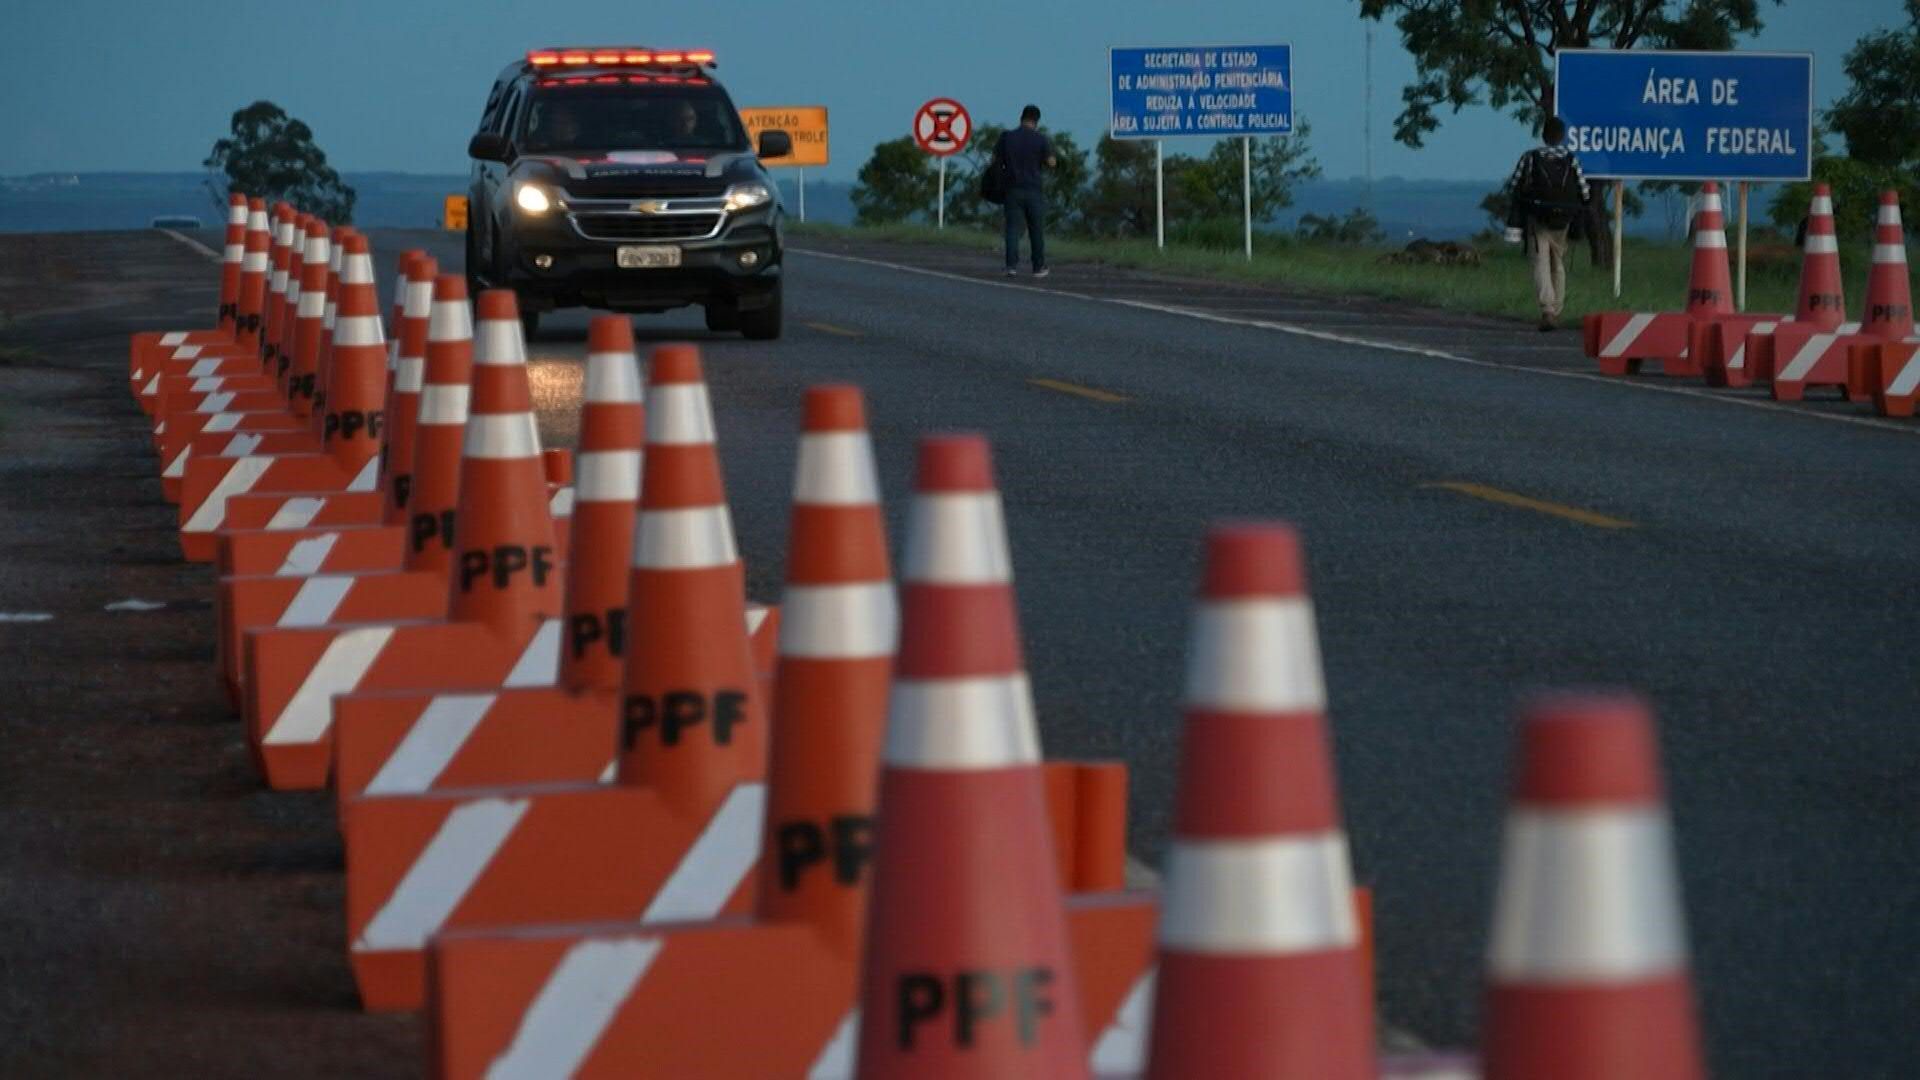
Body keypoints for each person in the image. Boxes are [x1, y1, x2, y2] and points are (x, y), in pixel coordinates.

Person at [1505, 116, 1590, 330]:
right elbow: (1584, 191)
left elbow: (1514, 185)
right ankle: (1557, 308)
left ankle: (1547, 309)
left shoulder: (1531, 157)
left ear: (1543, 135)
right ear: (1562, 136)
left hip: (1539, 217)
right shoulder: (1572, 159)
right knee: (1558, 262)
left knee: (1540, 262)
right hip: (1563, 220)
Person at [994, 105, 1056, 277]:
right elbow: (1051, 162)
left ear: (1021, 118)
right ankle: (1038, 267)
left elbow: (995, 160)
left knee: (1012, 229)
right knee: (1036, 229)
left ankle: (1011, 266)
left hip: (1012, 189)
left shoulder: (1007, 137)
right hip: (1034, 189)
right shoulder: (1041, 139)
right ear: (1036, 121)